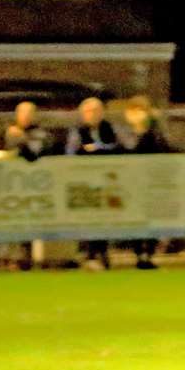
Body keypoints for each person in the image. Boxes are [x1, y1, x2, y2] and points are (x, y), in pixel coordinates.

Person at [67, 97, 121, 269]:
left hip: (107, 182)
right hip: (84, 182)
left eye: (97, 111)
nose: (93, 115)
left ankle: (103, 252)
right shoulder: (77, 131)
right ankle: (88, 253)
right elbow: (70, 153)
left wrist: (100, 148)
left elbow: (119, 147)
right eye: (89, 111)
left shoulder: (110, 128)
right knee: (87, 218)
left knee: (105, 218)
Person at [122, 101, 172, 270]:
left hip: (152, 183)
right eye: (134, 111)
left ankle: (149, 253)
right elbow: (127, 150)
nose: (138, 115)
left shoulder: (154, 133)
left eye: (142, 111)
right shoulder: (124, 132)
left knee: (153, 217)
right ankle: (138, 252)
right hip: (132, 183)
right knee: (135, 218)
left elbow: (164, 149)